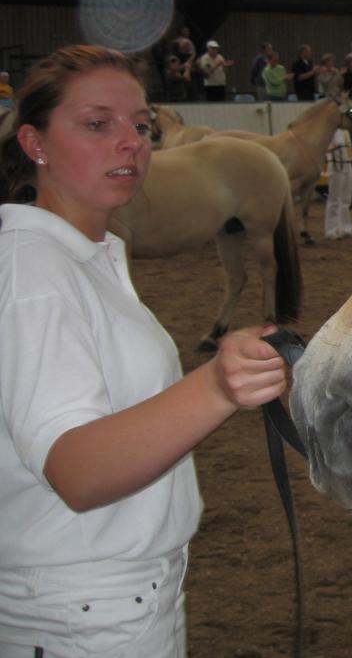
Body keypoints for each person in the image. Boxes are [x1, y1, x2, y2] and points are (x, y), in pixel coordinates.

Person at [0, 45, 287, 656]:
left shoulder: (85, 257)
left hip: (113, 595)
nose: (131, 142)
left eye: (141, 125)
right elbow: (77, 471)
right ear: (36, 143)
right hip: (84, 611)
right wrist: (213, 386)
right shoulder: (36, 275)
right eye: (97, 124)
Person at [323, 125, 352, 239]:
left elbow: (348, 148)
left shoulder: (345, 131)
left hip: (347, 163)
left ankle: (345, 228)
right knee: (334, 197)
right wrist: (334, 147)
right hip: (336, 164)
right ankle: (331, 230)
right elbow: (325, 148)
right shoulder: (329, 130)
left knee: (346, 197)